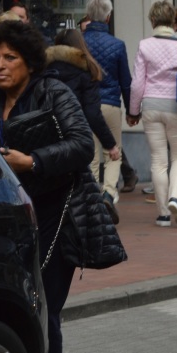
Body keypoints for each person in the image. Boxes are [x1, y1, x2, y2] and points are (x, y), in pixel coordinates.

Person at [0, 20, 94, 353]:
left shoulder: (52, 91)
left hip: (54, 212)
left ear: (28, 62)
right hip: (7, 217)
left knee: (48, 308)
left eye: (10, 58)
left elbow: (83, 144)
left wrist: (34, 161)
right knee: (22, 306)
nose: (0, 66)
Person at [127, 0, 177, 226]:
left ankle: (163, 214)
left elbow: (136, 84)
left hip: (151, 107)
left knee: (158, 161)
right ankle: (176, 197)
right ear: (173, 21)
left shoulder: (144, 45)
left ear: (153, 20)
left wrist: (134, 112)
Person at [43, 29, 120, 223]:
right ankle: (97, 208)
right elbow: (92, 114)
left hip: (47, 135)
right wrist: (110, 144)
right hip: (74, 135)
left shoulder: (43, 70)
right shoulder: (86, 70)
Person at [81, 0, 133, 205]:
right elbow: (126, 82)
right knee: (113, 152)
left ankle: (92, 195)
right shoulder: (117, 45)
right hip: (110, 103)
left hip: (84, 104)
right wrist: (132, 110)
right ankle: (109, 193)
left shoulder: (79, 42)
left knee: (91, 154)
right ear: (108, 17)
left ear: (89, 16)